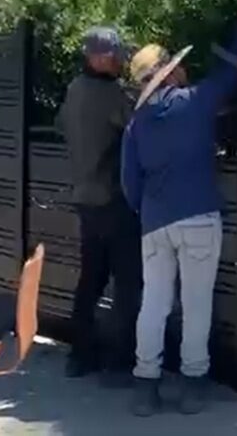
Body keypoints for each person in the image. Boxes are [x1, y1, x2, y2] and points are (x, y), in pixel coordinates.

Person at [122, 17, 237, 417]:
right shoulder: (195, 102)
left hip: (155, 222)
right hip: (199, 215)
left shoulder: (136, 125)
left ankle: (145, 386)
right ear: (172, 72)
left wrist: (148, 212)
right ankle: (192, 386)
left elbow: (129, 181)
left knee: (154, 303)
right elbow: (232, 71)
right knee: (197, 303)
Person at [57, 27, 140, 386]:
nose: (122, 60)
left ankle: (80, 355)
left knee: (90, 280)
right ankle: (121, 361)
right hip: (114, 201)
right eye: (117, 55)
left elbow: (61, 124)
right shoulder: (110, 94)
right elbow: (138, 125)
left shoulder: (74, 89)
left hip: (85, 199)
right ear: (100, 57)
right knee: (127, 283)